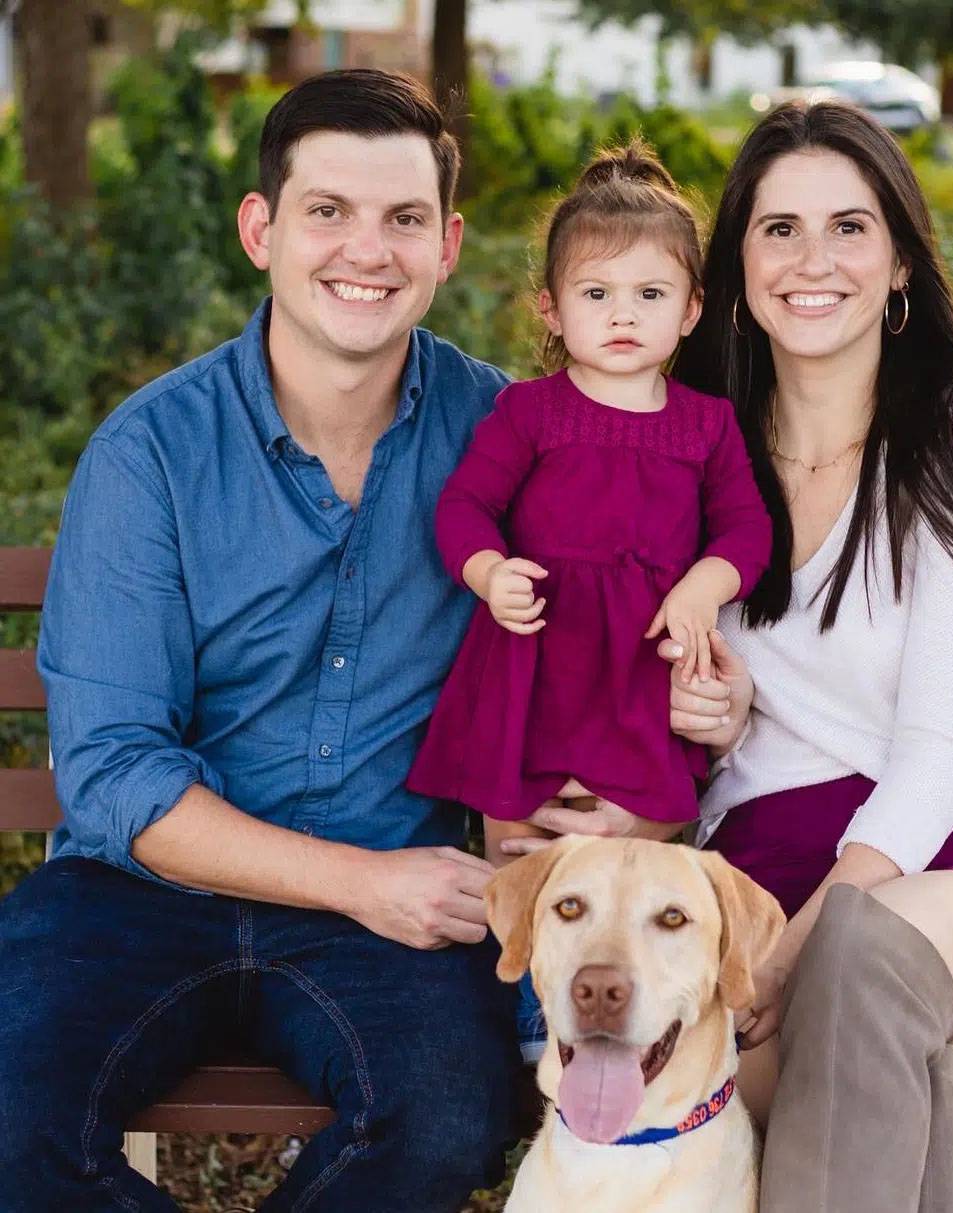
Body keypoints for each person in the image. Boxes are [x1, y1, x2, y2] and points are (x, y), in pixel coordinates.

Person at [0, 70, 520, 1212]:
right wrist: (362, 881)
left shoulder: (507, 438)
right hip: (138, 892)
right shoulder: (151, 453)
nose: (365, 252)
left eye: (403, 219)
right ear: (261, 229)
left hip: (389, 924)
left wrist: (694, 684)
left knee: (445, 1121)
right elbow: (115, 772)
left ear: (448, 246)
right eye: (327, 211)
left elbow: (591, 649)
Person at [662, 101, 953, 1211]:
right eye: (778, 229)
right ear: (738, 264)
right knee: (847, 1106)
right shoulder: (694, 450)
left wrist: (798, 945)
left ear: (898, 263)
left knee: (856, 962)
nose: (814, 261)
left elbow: (941, 748)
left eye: (849, 227)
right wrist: (710, 716)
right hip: (748, 885)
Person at [406, 140, 770, 1064]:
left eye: (650, 295)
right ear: (551, 307)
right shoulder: (530, 412)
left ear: (690, 310)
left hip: (640, 668)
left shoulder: (705, 424)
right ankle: (529, 1005)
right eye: (596, 294)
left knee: (633, 831)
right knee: (520, 835)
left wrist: (701, 584)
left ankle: (617, 1001)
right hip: (536, 658)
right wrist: (489, 572)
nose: (622, 315)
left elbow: (744, 534)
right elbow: (465, 505)